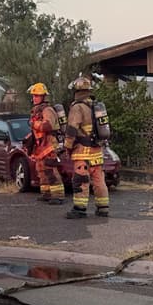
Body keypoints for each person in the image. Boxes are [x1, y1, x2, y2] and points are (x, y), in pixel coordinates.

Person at [64, 76, 109, 218]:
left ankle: (79, 209)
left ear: (76, 91)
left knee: (80, 180)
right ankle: (103, 208)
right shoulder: (95, 106)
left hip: (83, 152)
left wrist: (67, 146)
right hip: (97, 151)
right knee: (99, 180)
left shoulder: (77, 107)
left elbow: (72, 129)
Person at [26, 82, 64, 203]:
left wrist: (33, 124)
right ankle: (46, 193)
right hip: (41, 145)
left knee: (51, 170)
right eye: (33, 96)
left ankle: (58, 196)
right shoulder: (37, 110)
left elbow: (48, 126)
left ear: (44, 97)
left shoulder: (47, 110)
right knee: (41, 170)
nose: (34, 98)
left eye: (37, 95)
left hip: (49, 145)